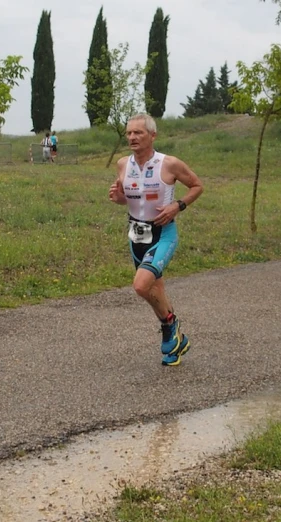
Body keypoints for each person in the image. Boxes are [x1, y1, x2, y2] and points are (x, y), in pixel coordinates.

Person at [108, 113, 204, 366]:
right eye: (129, 133)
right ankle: (177, 342)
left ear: (152, 135)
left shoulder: (169, 164)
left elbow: (197, 186)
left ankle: (170, 325)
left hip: (163, 234)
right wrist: (117, 198)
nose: (131, 137)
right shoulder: (121, 164)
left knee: (141, 285)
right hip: (136, 235)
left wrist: (177, 206)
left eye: (138, 132)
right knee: (154, 289)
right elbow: (125, 200)